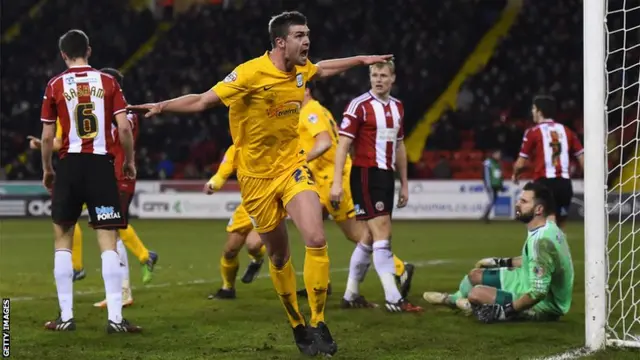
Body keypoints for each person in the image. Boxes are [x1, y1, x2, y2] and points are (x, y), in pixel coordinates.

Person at [127, 11, 391, 356]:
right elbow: (205, 99)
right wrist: (162, 106)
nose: (306, 40)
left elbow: (324, 67)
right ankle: (297, 324)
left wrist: (361, 60)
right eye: (299, 35)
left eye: (308, 33)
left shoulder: (301, 71)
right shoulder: (250, 73)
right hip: (255, 180)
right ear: (281, 42)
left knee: (315, 237)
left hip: (292, 167)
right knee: (279, 255)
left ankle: (319, 321)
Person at [28, 68, 159, 309]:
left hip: (115, 176)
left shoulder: (117, 115)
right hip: (113, 175)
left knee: (111, 231)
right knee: (114, 230)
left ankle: (122, 290)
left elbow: (97, 134)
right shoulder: (122, 114)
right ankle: (124, 286)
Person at [40, 29, 141, 332]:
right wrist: (130, 161)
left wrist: (47, 168)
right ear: (89, 51)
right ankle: (116, 319)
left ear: (63, 55)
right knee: (108, 240)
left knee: (63, 239)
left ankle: (66, 317)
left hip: (69, 166)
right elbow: (123, 129)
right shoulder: (108, 82)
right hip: (100, 167)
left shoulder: (54, 84)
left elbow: (47, 136)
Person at [295, 84, 414, 308]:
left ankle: (398, 268)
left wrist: (301, 161)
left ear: (307, 90)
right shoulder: (317, 110)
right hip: (321, 181)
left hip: (332, 180)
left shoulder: (309, 112)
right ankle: (322, 282)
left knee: (358, 233)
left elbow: (325, 142)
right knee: (311, 230)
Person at [330, 60, 422, 313]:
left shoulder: (398, 107)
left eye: (383, 75)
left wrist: (404, 183)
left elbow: (400, 146)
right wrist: (337, 182)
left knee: (370, 237)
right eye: (374, 75)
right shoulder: (359, 106)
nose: (378, 79)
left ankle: (350, 295)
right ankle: (393, 298)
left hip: (385, 176)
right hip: (365, 174)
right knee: (383, 232)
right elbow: (343, 145)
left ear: (393, 78)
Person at [423, 182, 574, 323]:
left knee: (476, 294)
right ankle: (456, 300)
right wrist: (501, 262)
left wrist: (507, 311)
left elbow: (538, 292)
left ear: (539, 209)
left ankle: (458, 302)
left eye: (523, 202)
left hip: (545, 304)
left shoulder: (541, 242)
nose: (517, 204)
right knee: (474, 275)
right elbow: (535, 261)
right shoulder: (547, 228)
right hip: (525, 278)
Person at [204, 145, 266, 300]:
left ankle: (257, 259)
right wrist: (213, 184)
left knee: (253, 245)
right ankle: (228, 289)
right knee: (230, 251)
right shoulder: (236, 149)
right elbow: (223, 171)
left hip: (268, 204)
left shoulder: (270, 143)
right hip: (246, 207)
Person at [512, 95, 584, 229]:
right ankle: (559, 249)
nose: (532, 112)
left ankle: (541, 249)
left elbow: (520, 163)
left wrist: (515, 174)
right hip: (564, 184)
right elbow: (582, 159)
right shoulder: (568, 131)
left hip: (544, 184)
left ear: (539, 111)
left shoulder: (532, 132)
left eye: (534, 109)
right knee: (560, 227)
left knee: (541, 225)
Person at [481, 149, 505, 223]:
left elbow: (499, 175)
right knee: (491, 200)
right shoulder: (488, 162)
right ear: (493, 154)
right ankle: (485, 216)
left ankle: (485, 216)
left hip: (496, 185)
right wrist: (488, 185)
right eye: (497, 154)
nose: (499, 156)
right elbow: (486, 174)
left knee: (493, 200)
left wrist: (500, 184)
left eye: (499, 154)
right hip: (491, 185)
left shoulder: (498, 163)